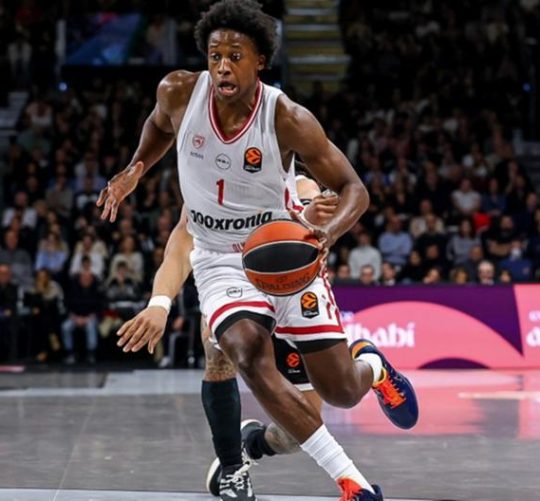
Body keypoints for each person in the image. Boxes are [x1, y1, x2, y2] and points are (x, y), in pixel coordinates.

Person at [97, 2, 418, 499]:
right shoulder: (178, 92)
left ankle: (370, 366)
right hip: (221, 261)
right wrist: (137, 167)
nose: (222, 66)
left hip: (283, 254)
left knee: (340, 393)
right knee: (238, 349)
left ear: (260, 61)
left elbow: (354, 189)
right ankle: (350, 483)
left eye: (235, 56)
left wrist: (326, 234)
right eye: (215, 56)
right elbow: (159, 127)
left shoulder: (287, 118)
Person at [116, 175, 382, 499]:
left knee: (295, 435)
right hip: (230, 286)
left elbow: (321, 223)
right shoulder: (208, 185)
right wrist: (159, 303)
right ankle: (231, 468)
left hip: (288, 293)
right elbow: (180, 247)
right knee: (217, 355)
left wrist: (311, 220)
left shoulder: (298, 184)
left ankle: (253, 444)